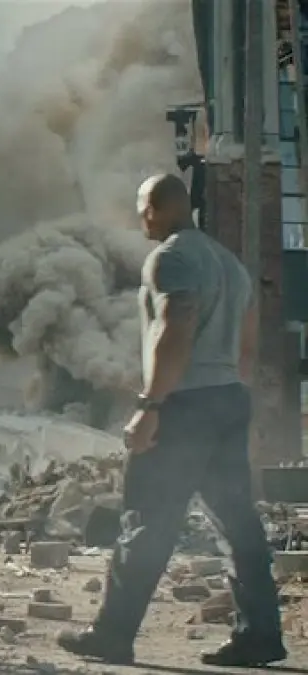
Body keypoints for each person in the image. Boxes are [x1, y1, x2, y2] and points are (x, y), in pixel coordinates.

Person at [57, 174, 285, 667]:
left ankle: (113, 634)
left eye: (143, 208)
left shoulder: (171, 258)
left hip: (184, 406)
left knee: (146, 520)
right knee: (237, 522)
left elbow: (176, 324)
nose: (141, 218)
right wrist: (240, 408)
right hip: (228, 398)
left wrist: (151, 405)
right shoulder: (231, 266)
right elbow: (247, 348)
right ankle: (261, 634)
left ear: (158, 208)